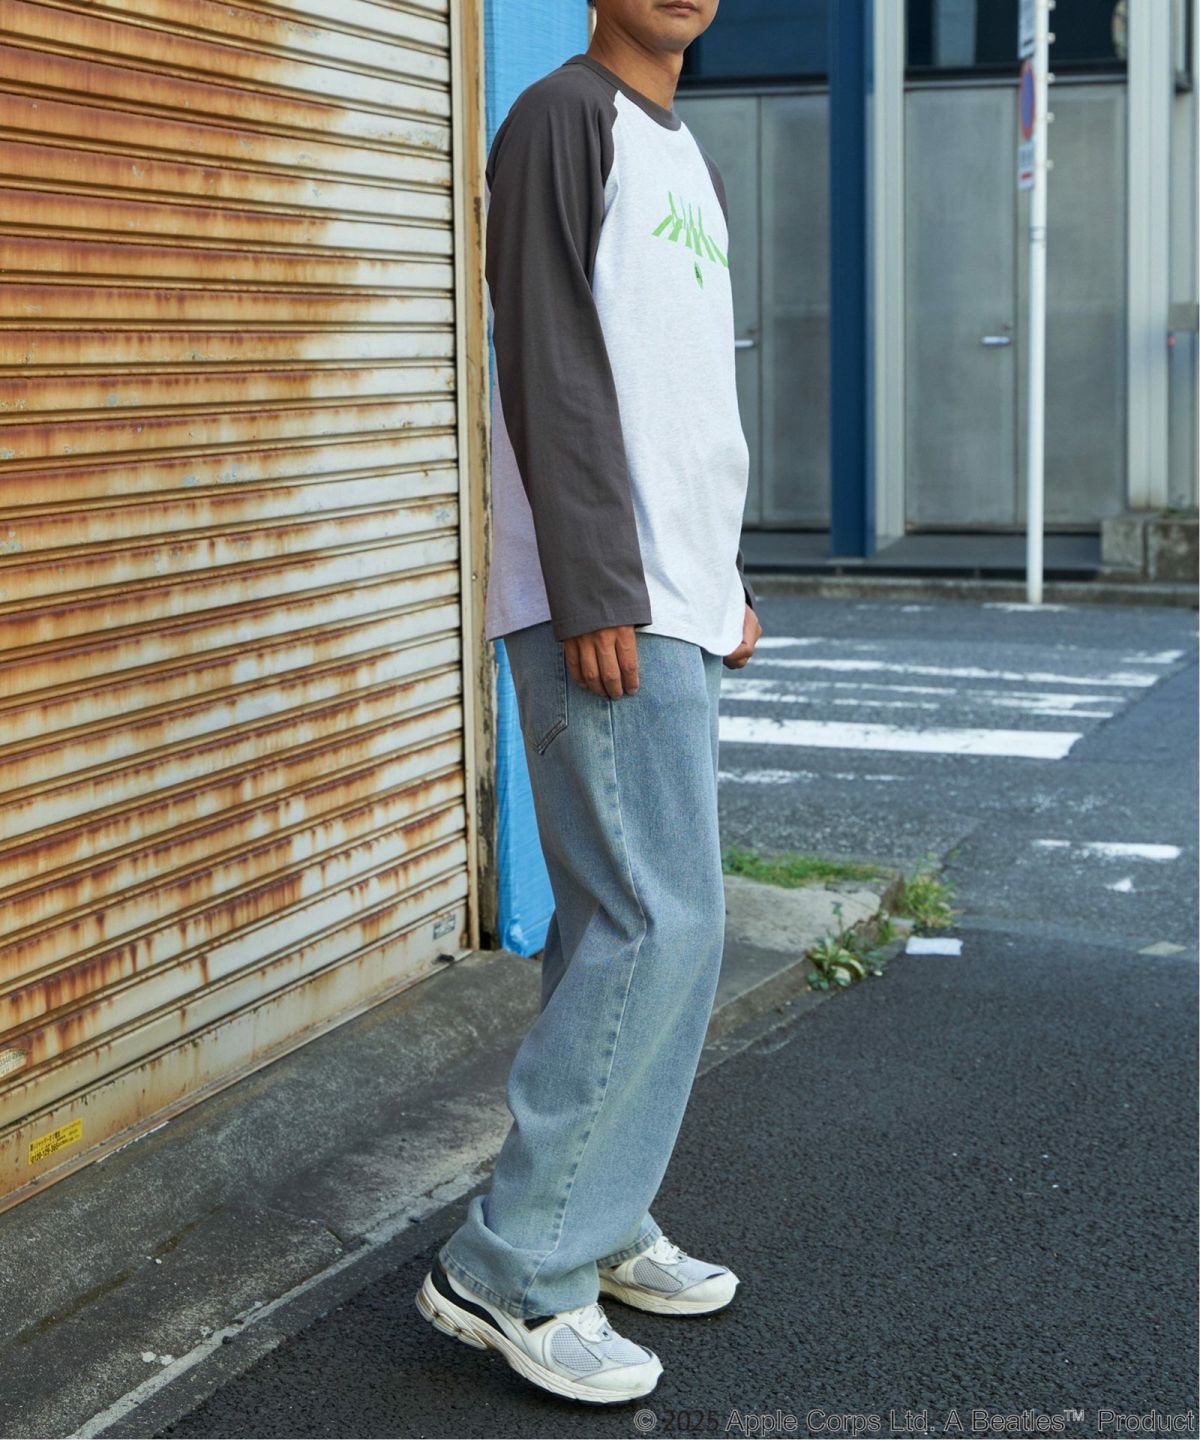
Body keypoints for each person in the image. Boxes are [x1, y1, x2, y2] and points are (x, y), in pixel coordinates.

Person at [415, 0, 762, 1404]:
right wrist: (598, 582)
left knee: (618, 924)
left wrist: (722, 579)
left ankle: (595, 1217)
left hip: (671, 592)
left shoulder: (683, 150)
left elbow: (684, 394)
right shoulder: (562, 115)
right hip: (606, 596)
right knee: (662, 920)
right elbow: (549, 361)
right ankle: (512, 1269)